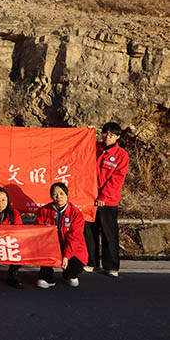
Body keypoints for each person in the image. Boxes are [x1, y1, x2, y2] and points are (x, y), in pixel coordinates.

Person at [84, 122, 129, 278]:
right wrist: (87, 131)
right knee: (89, 231)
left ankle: (111, 266)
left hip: (107, 201)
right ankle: (91, 262)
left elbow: (117, 179)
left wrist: (104, 196)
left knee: (109, 233)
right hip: (89, 198)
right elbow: (80, 144)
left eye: (112, 134)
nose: (107, 137)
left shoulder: (121, 155)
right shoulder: (94, 147)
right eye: (105, 133)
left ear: (118, 137)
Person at [36, 183, 88, 289]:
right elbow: (39, 233)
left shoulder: (75, 213)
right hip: (50, 246)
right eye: (55, 194)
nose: (58, 197)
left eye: (61, 193)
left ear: (67, 194)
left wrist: (66, 256)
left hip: (71, 247)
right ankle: (47, 277)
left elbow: (75, 238)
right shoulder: (43, 211)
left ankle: (69, 274)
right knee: (44, 251)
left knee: (76, 266)